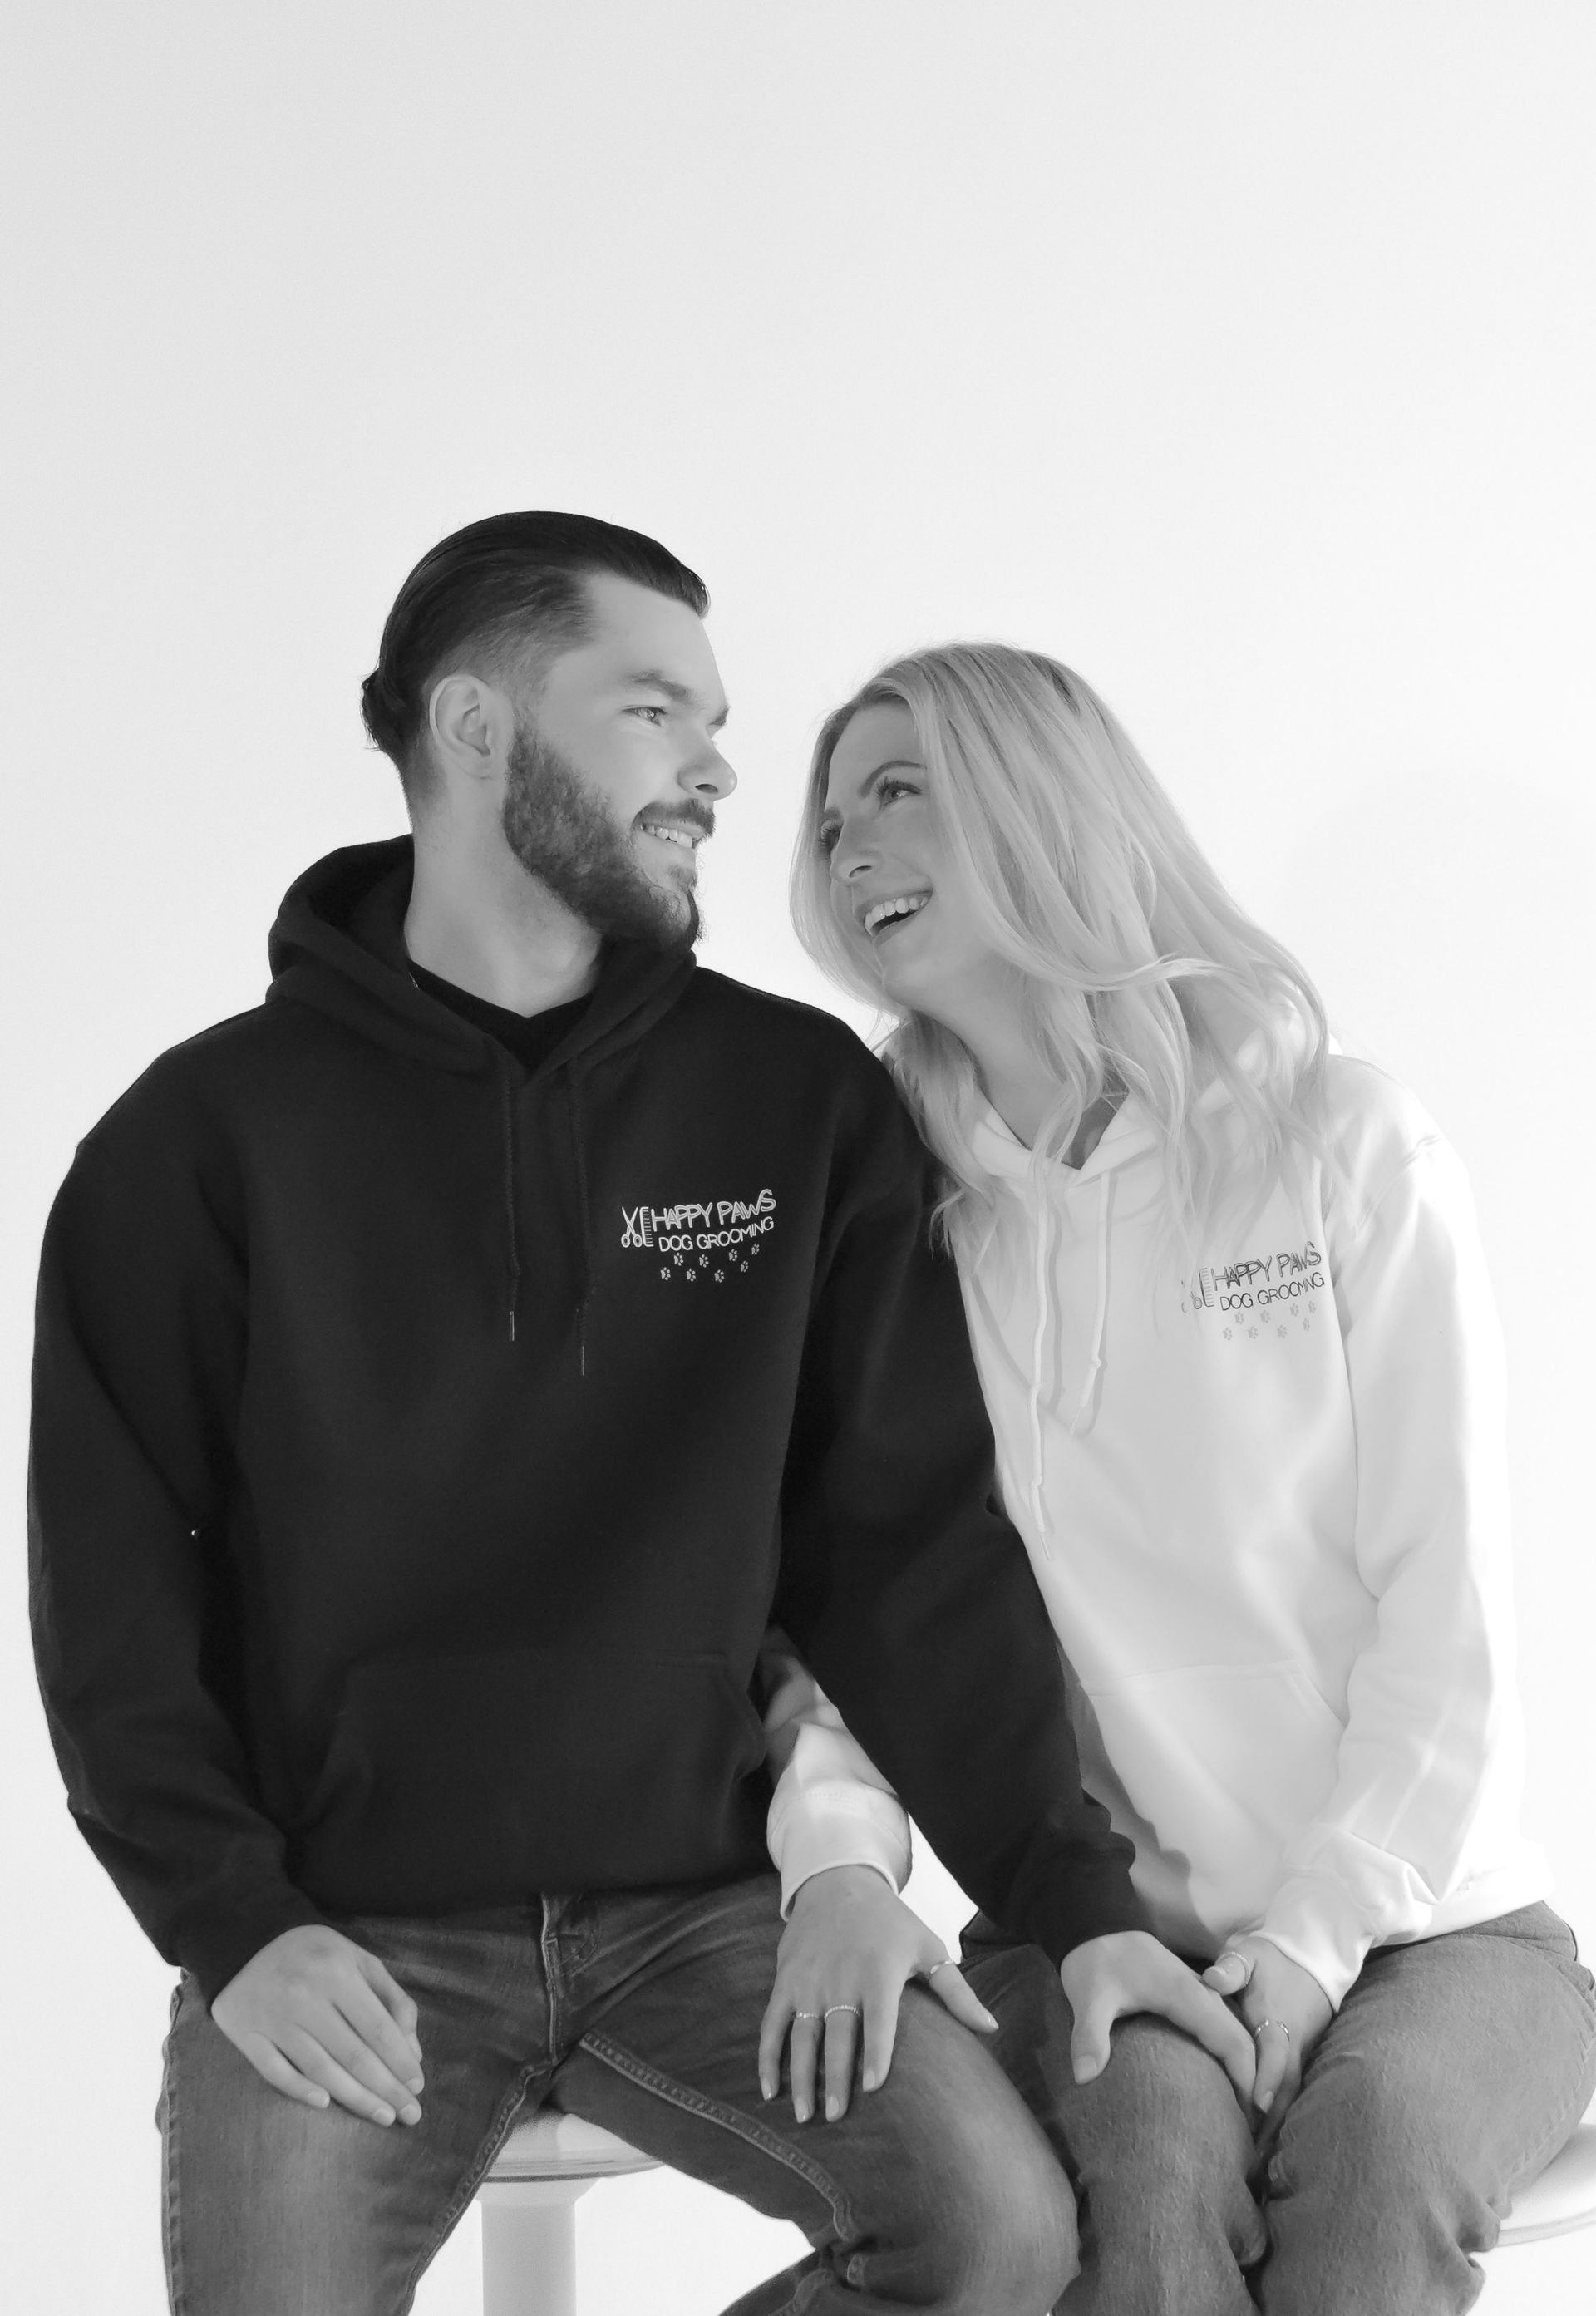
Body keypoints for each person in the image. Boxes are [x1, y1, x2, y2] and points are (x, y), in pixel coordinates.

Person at [28, 518, 1254, 2316]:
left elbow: (905, 1551)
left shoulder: (793, 1104)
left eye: (714, 719)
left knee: (996, 2243)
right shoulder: (195, 1145)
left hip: (710, 1915)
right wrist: (236, 1925)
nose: (719, 770)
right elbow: (112, 1602)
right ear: (476, 725)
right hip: (349, 1930)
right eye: (654, 710)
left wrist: (1080, 1904)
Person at [772, 640, 1596, 2314]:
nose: (849, 847)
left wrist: (1305, 1951)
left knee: (1362, 2184)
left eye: (901, 790)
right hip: (1093, 1926)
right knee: (1143, 2201)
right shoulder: (902, 1228)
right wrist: (837, 1861)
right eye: (834, 814)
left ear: (1040, 804)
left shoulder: (1343, 1143)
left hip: (1434, 1924)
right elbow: (864, 1616)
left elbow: (1448, 1629)